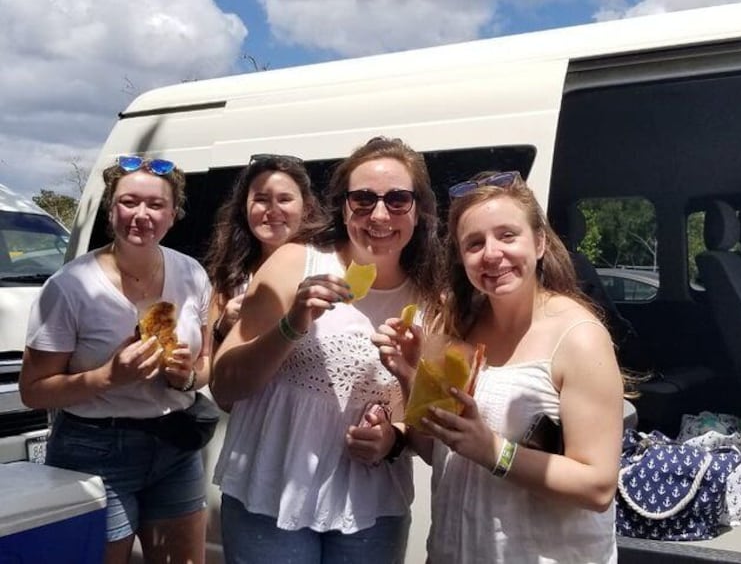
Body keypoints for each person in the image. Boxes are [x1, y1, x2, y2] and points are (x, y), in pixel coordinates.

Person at [211, 136, 443, 563]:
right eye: (362, 199)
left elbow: (431, 429)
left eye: (397, 200)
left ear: (419, 209)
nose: (378, 214)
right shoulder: (296, 262)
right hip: (272, 490)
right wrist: (292, 323)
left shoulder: (434, 299)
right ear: (342, 205)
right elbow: (224, 386)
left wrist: (393, 438)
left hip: (371, 506)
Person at [372, 171, 624, 563]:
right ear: (460, 255)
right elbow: (436, 449)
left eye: (507, 236)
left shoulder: (579, 337)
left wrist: (493, 450)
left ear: (539, 242)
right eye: (474, 243)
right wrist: (408, 376)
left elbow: (597, 487)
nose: (491, 253)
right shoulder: (453, 326)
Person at [20, 155, 212, 564]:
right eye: (129, 202)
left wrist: (184, 377)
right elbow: (33, 391)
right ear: (111, 210)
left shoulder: (193, 274)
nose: (141, 215)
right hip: (95, 446)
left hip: (175, 444)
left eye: (156, 205)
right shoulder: (70, 287)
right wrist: (108, 376)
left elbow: (205, 364)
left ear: (173, 214)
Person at [205, 154, 325, 352]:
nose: (273, 210)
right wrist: (223, 327)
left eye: (285, 199)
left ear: (307, 208)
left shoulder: (326, 265)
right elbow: (212, 370)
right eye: (261, 199)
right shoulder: (231, 273)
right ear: (244, 208)